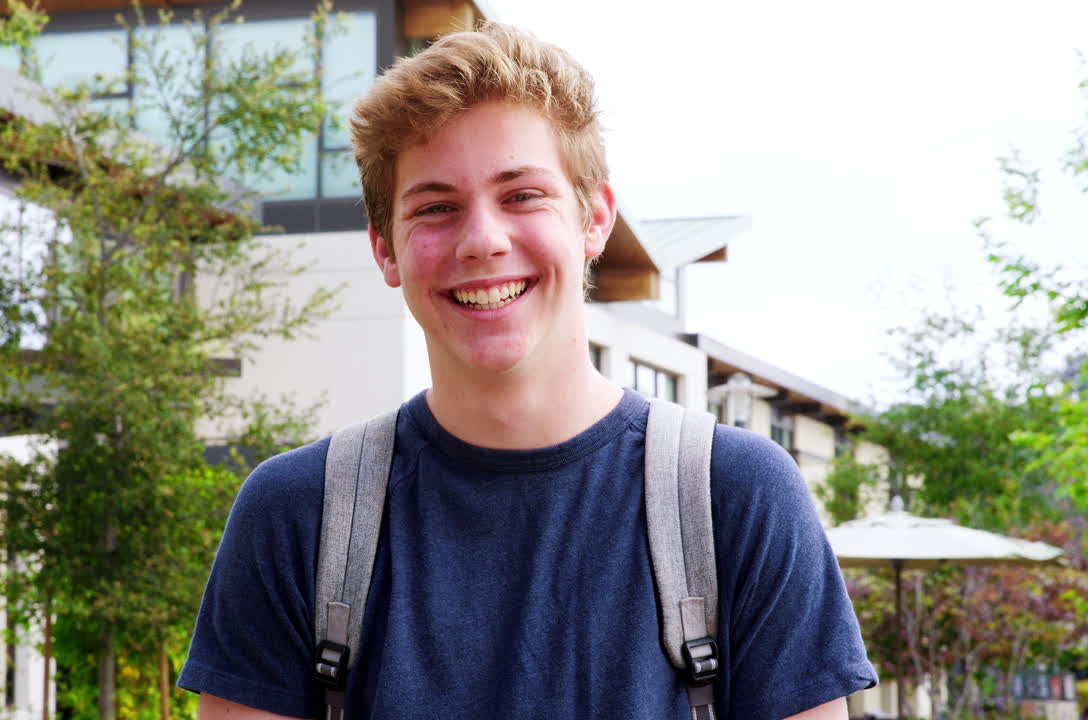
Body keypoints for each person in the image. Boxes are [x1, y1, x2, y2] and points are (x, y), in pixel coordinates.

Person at [179, 22, 877, 720]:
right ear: (384, 250)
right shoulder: (298, 514)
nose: (483, 240)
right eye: (436, 208)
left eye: (521, 195)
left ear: (594, 217)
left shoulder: (735, 499)